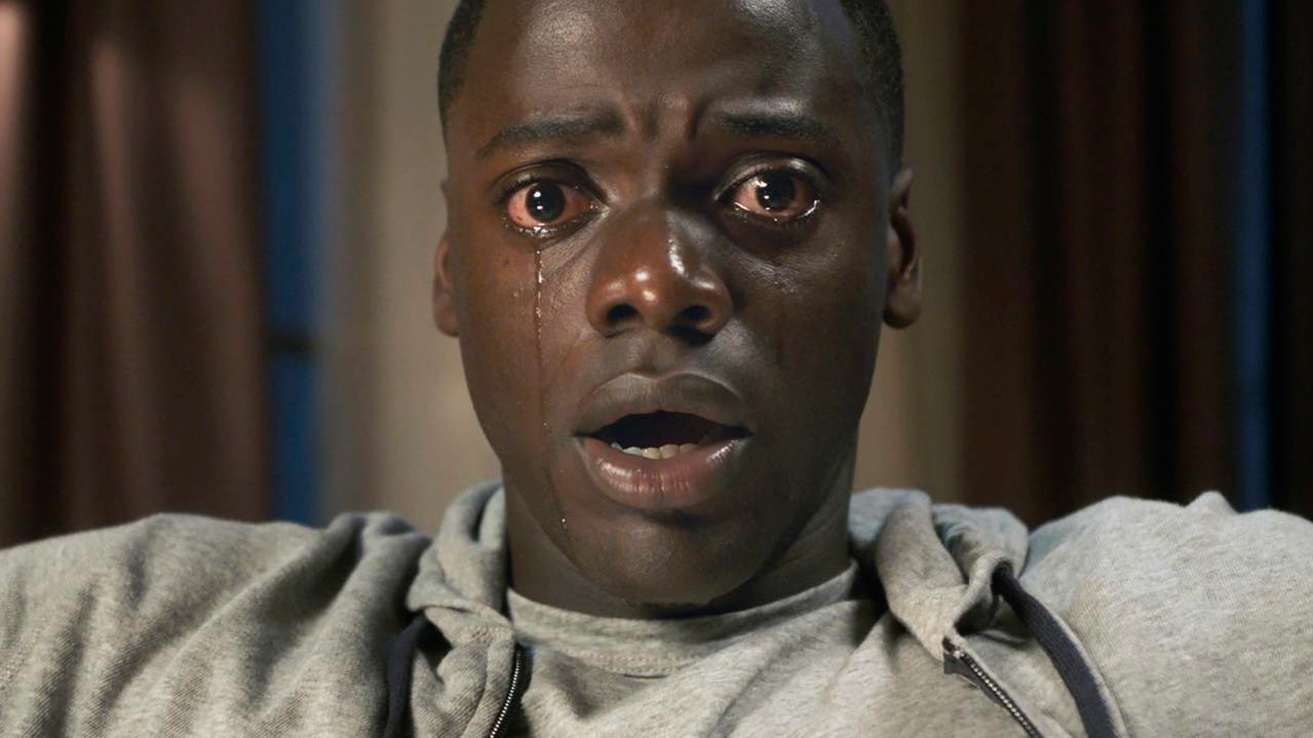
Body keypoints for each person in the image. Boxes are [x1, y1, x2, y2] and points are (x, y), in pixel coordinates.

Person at [2, 0, 1311, 735]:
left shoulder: (1159, 630)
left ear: (894, 255)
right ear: (450, 274)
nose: (656, 281)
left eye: (771, 188)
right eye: (547, 200)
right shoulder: (121, 643)